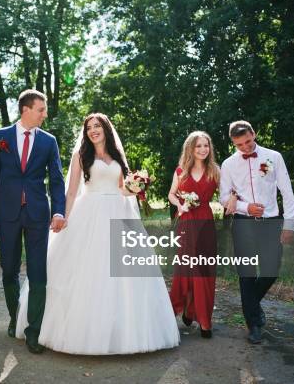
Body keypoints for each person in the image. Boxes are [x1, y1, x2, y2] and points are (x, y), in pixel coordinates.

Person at [16, 112, 180, 355]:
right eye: (89, 127)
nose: (93, 130)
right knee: (87, 271)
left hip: (119, 213)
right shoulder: (81, 156)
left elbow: (121, 189)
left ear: (106, 128)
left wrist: (136, 187)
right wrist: (63, 217)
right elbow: (71, 192)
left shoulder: (116, 156)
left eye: (97, 126)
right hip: (89, 212)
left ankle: (123, 333)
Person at [0, 89, 66, 354]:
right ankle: (14, 317)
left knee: (38, 272)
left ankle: (34, 330)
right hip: (6, 214)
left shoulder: (48, 141)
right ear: (26, 110)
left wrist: (59, 211)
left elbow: (56, 178)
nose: (45, 114)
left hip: (38, 214)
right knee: (9, 270)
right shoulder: (0, 137)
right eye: (41, 110)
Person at [219, 120, 294, 344]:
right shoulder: (228, 164)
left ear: (254, 133)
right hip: (243, 222)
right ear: (233, 143)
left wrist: (290, 224)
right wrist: (245, 207)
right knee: (247, 275)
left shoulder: (273, 157)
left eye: (248, 141)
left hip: (271, 221)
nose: (246, 148)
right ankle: (253, 324)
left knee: (271, 270)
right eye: (240, 145)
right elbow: (224, 197)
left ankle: (251, 305)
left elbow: (287, 191)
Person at [167, 131, 220, 338]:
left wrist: (233, 198)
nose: (203, 149)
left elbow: (226, 193)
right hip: (187, 223)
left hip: (206, 223)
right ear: (191, 148)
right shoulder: (181, 171)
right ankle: (185, 306)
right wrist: (180, 203)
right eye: (198, 146)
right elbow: (172, 194)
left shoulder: (215, 170)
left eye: (206, 145)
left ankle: (203, 319)